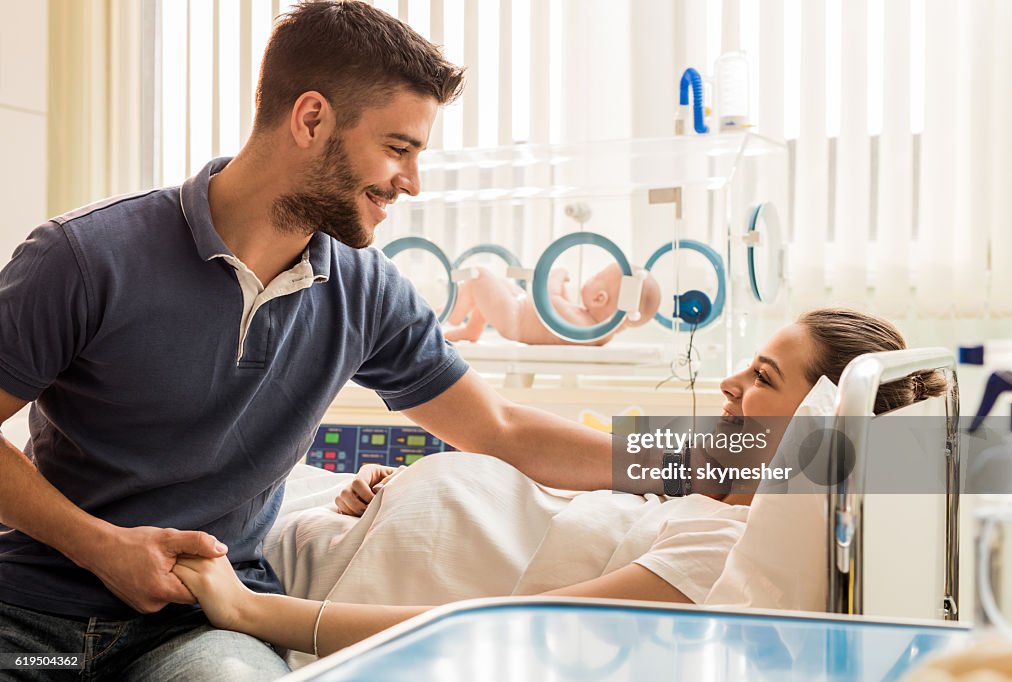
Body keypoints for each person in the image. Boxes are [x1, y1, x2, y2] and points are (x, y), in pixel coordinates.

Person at [0, 3, 614, 679]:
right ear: (312, 118)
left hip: (195, 633)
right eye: (398, 148)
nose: (411, 181)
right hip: (31, 625)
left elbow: (500, 429)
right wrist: (99, 547)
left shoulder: (367, 291)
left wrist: (705, 459)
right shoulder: (85, 257)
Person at [173, 308, 947, 662]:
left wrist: (255, 611)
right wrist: (388, 482)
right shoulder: (694, 482)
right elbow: (524, 463)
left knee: (157, 505)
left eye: (762, 378)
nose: (730, 382)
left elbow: (483, 624)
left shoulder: (719, 548)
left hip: (302, 572)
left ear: (814, 426)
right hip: (337, 513)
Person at [444, 263, 662, 346]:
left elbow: (549, 299)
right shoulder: (593, 330)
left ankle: (450, 318)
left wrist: (556, 274)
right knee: (498, 285)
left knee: (480, 275)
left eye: (596, 276)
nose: (591, 277)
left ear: (600, 298)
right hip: (518, 309)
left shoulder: (586, 326)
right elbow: (560, 312)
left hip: (515, 317)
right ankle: (471, 331)